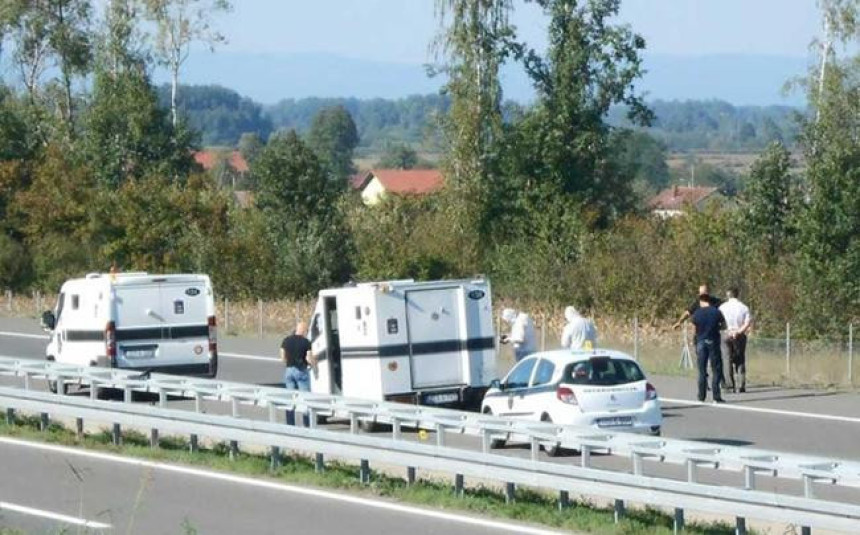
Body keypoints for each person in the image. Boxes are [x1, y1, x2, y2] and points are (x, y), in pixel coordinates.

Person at [673, 284, 728, 387]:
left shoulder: (716, 302)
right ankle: (704, 383)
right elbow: (687, 313)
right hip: (700, 337)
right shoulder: (697, 303)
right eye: (701, 293)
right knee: (702, 362)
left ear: (708, 293)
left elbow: (724, 312)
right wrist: (679, 322)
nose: (702, 295)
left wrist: (718, 327)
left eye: (704, 293)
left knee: (716, 361)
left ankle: (721, 381)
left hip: (713, 336)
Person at [690, 291, 727, 403]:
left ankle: (701, 396)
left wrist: (695, 339)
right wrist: (717, 328)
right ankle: (716, 396)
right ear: (709, 301)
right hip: (713, 341)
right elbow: (724, 325)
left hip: (701, 341)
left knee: (702, 370)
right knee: (716, 369)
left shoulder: (697, 313)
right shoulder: (716, 312)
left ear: (701, 301)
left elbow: (694, 327)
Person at [719, 287, 752, 393]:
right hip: (739, 334)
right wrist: (738, 332)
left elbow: (719, 322)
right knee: (740, 358)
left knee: (726, 359)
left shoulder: (722, 307)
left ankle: (729, 385)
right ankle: (741, 384)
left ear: (728, 295)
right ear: (737, 295)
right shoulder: (744, 307)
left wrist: (727, 331)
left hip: (726, 334)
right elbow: (747, 323)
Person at [281, 321, 313, 391]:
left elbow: (283, 357)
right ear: (304, 331)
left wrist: (289, 363)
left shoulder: (286, 340)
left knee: (291, 394)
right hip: (301, 370)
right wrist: (312, 364)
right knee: (304, 394)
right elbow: (308, 358)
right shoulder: (306, 342)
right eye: (307, 331)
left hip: (289, 370)